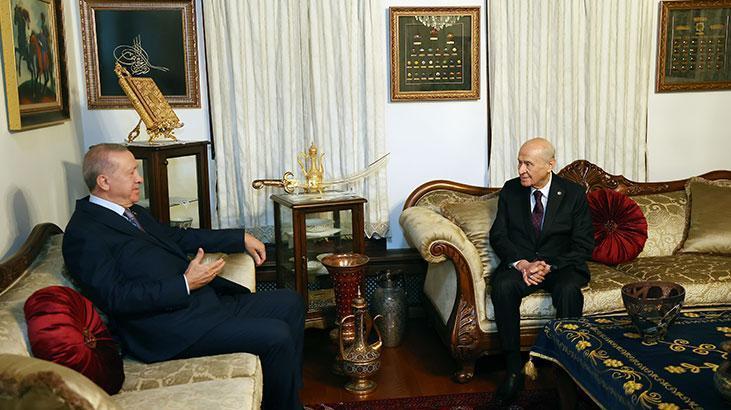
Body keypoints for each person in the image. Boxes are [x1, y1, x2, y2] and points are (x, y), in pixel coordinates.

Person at [63, 143, 304, 410]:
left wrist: (239, 238)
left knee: (290, 302)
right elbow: (116, 297)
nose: (139, 178)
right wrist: (185, 284)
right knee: (276, 335)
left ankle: (286, 398)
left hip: (203, 304)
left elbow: (177, 237)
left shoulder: (133, 211)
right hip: (168, 329)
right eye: (131, 172)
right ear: (104, 181)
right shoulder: (83, 234)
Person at [489, 137, 594, 404]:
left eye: (528, 164)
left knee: (569, 290)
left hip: (560, 265)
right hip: (523, 265)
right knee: (503, 286)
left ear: (550, 165)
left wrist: (550, 265)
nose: (521, 170)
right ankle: (514, 370)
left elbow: (583, 244)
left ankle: (567, 370)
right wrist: (522, 264)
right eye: (519, 163)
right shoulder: (511, 190)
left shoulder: (573, 194)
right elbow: (499, 235)